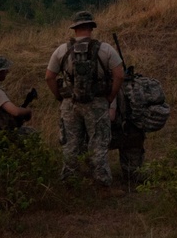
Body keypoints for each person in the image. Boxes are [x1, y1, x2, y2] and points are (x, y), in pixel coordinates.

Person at [45, 11, 125, 196]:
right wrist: (110, 97)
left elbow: (49, 77)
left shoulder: (61, 50)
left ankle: (70, 185)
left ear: (74, 29)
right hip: (97, 103)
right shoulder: (105, 49)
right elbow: (119, 75)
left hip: (70, 104)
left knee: (70, 144)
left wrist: (60, 97)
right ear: (91, 28)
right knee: (98, 143)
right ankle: (102, 186)